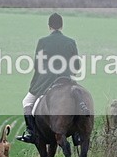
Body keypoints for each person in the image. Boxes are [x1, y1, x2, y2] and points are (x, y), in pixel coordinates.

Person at [16, 12, 80, 143]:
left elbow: (37, 65)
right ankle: (77, 132)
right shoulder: (71, 42)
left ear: (49, 26)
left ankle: (31, 132)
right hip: (66, 79)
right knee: (78, 101)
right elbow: (76, 66)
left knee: (27, 102)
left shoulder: (43, 42)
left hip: (46, 81)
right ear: (62, 26)